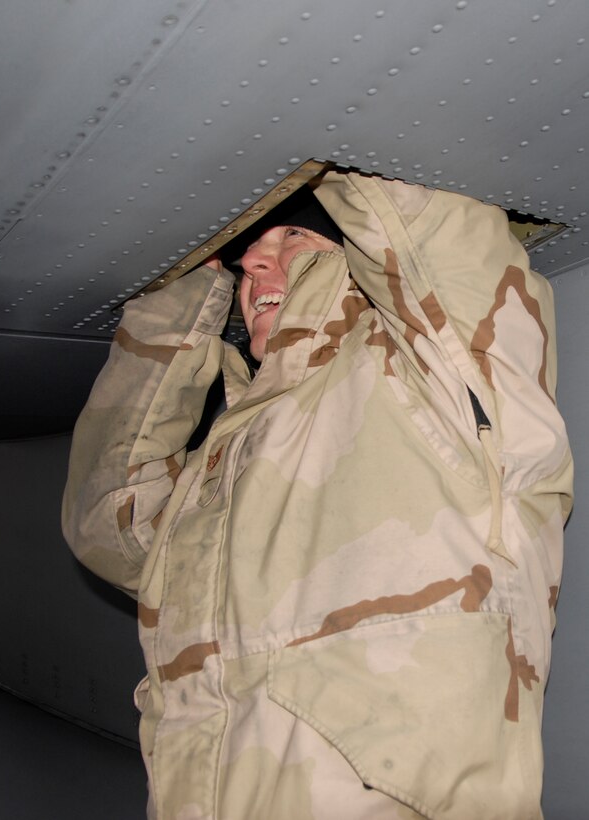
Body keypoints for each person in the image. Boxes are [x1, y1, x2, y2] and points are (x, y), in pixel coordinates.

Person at [63, 169, 573, 820]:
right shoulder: (232, 456)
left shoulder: (440, 394)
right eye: (248, 260)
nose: (254, 261)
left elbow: (431, 238)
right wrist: (197, 289)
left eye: (296, 237)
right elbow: (117, 526)